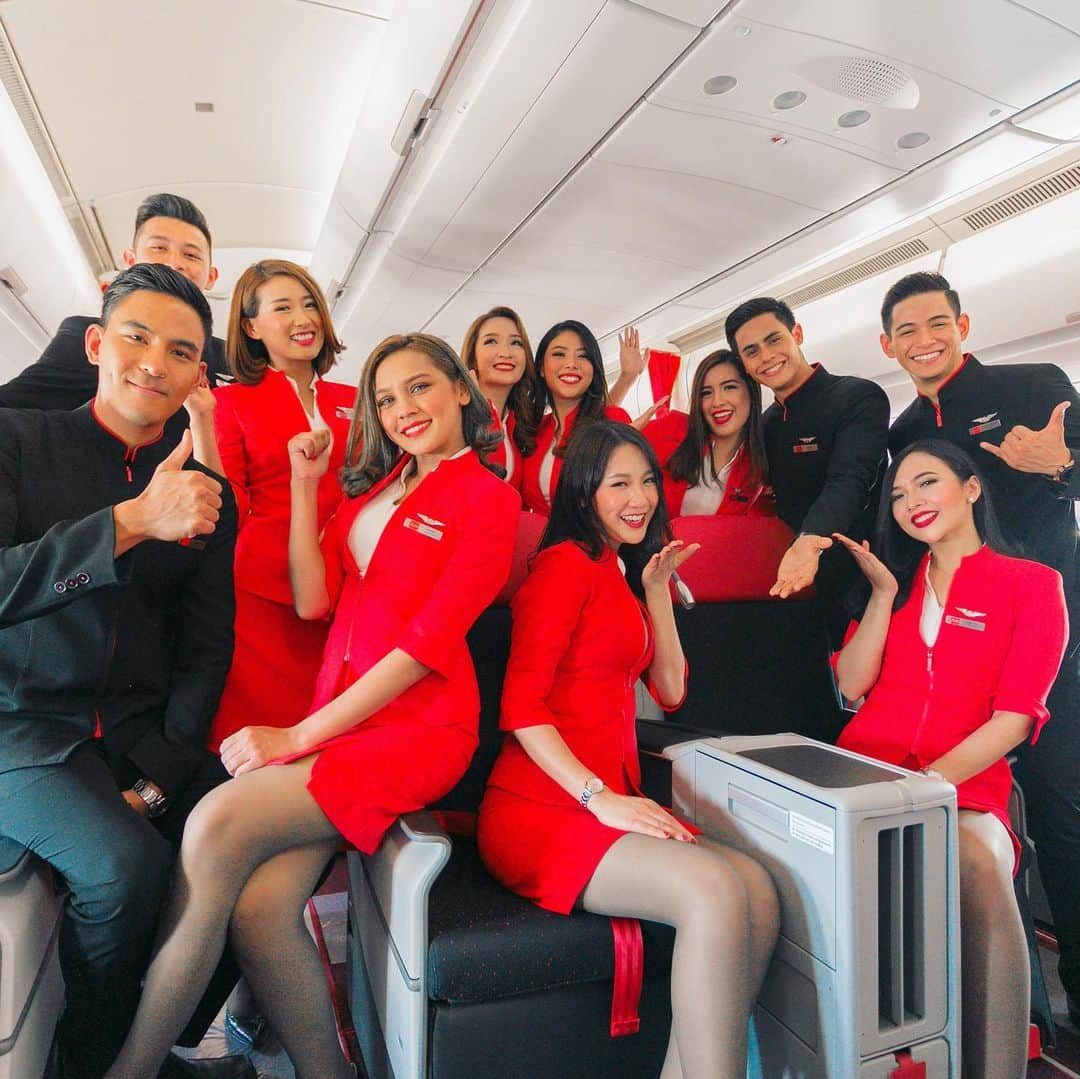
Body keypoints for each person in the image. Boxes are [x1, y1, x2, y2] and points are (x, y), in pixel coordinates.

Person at [105, 333, 520, 1079]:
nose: (403, 410)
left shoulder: (489, 496)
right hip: (346, 715)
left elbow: (424, 647)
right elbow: (313, 595)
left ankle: (126, 1069)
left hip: (419, 726)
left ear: (462, 390)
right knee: (262, 910)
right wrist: (307, 485)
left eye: (420, 388)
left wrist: (297, 733)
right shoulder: (376, 490)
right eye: (387, 399)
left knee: (214, 822)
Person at [0, 264, 249, 1079]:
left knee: (250, 845)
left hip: (139, 736)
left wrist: (164, 772)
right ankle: (88, 1059)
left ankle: (160, 1039)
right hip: (22, 723)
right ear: (98, 343)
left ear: (196, 375)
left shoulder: (209, 495)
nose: (155, 361)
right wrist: (130, 522)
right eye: (137, 337)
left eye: (181, 351)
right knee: (124, 867)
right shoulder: (16, 442)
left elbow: (206, 646)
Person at [477, 420, 779, 1078]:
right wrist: (601, 797)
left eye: (646, 480)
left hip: (603, 800)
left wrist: (656, 593)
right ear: (585, 492)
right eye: (619, 482)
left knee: (759, 887)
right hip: (542, 807)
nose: (639, 495)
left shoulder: (618, 572)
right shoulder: (562, 568)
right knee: (717, 893)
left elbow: (669, 690)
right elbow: (520, 707)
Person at [832, 440, 1067, 1078]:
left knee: (979, 867)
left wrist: (928, 787)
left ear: (970, 489)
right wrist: (881, 596)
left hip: (965, 788)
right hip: (865, 776)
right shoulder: (895, 586)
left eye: (927, 484)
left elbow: (1015, 720)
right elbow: (852, 687)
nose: (911, 503)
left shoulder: (1033, 585)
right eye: (899, 495)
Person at [881, 270, 1080, 1026]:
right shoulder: (903, 433)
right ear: (888, 345)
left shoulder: (1037, 387)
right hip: (962, 657)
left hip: (1056, 639)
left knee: (1064, 818)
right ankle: (998, 1008)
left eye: (937, 323)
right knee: (982, 825)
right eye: (907, 330)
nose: (924, 340)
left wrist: (1058, 466)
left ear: (962, 324)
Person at [199, 260, 354, 751]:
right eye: (282, 308)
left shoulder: (358, 399)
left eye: (309, 304)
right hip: (267, 594)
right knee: (265, 731)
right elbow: (228, 506)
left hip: (349, 587)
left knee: (339, 738)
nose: (301, 318)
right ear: (251, 326)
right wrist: (202, 423)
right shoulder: (234, 403)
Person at [0, 193, 229, 431]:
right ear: (131, 260)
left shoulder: (230, 356)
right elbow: (13, 402)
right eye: (159, 248)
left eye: (191, 255)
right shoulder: (92, 339)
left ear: (211, 277)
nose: (173, 262)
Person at [725, 297, 889, 614]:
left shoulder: (857, 397)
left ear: (797, 334)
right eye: (752, 351)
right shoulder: (763, 425)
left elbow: (850, 479)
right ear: (744, 363)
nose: (767, 356)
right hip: (796, 581)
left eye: (774, 340)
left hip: (864, 573)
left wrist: (811, 538)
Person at [643, 347, 775, 518]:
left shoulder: (759, 465)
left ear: (751, 392)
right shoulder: (673, 428)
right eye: (706, 393)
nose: (717, 402)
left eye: (729, 387)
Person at [520, 319, 632, 513]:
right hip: (539, 542)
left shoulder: (612, 420)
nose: (571, 364)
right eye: (559, 354)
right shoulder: (535, 431)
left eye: (583, 356)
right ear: (541, 369)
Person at [460, 304, 540, 488]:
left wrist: (623, 378)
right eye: (491, 341)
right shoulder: (455, 418)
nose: (506, 353)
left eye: (516, 343)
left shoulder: (519, 424)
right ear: (473, 357)